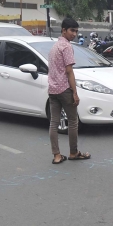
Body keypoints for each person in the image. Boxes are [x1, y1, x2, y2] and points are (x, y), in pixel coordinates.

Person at [48, 18, 91, 164]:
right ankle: (73, 152)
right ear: (64, 30)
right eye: (72, 30)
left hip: (52, 89)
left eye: (76, 31)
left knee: (54, 122)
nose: (74, 34)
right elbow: (69, 71)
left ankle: (57, 155)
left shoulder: (54, 47)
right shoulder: (66, 47)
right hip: (64, 89)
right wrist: (74, 92)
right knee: (73, 121)